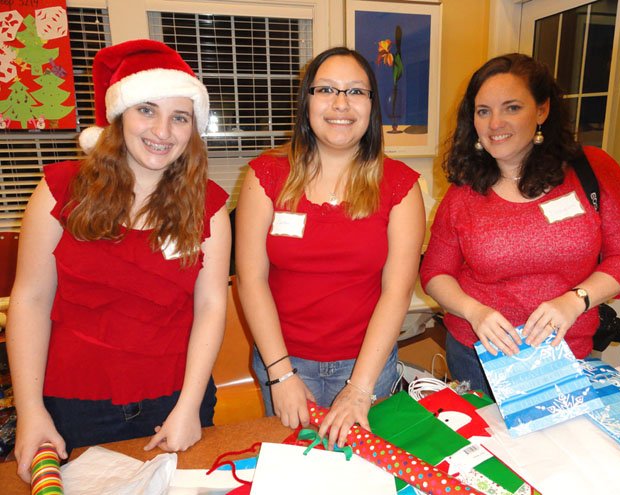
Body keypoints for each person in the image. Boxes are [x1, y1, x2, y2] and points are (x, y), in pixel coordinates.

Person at [7, 39, 230, 483]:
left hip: (176, 400)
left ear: (193, 128)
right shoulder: (60, 190)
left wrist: (188, 407)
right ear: (119, 116)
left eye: (179, 117)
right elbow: (29, 301)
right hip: (73, 403)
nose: (162, 131)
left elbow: (211, 307)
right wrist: (29, 410)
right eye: (146, 109)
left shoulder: (209, 206)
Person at [420, 53, 620, 395]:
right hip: (479, 355)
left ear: (542, 110)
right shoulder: (463, 192)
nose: (495, 123)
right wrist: (474, 311)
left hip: (567, 352)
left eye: (512, 107)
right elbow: (435, 274)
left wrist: (575, 300)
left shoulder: (592, 170)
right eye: (484, 111)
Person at [235, 46, 425, 446]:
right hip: (284, 363)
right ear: (307, 100)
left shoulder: (400, 185)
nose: (341, 103)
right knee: (296, 472)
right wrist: (280, 373)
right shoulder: (264, 176)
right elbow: (251, 280)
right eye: (326, 90)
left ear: (372, 105)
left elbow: (397, 291)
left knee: (365, 476)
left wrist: (359, 387)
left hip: (368, 366)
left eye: (356, 91)